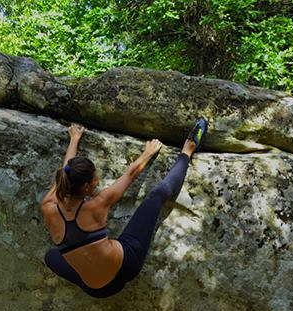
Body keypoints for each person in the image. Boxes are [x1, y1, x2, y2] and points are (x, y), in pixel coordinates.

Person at [41, 119, 208, 298]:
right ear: (87, 188)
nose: (98, 180)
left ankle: (89, 275)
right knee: (156, 197)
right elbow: (131, 173)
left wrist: (74, 139)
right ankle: (188, 150)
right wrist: (147, 153)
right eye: (95, 179)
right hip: (127, 266)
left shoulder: (48, 206)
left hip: (96, 290)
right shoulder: (97, 205)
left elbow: (65, 171)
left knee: (51, 256)